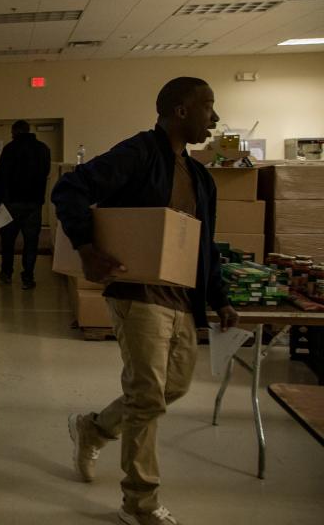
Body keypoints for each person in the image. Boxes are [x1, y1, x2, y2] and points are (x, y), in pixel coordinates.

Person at [51, 77, 239, 525]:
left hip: (182, 298)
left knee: (171, 388)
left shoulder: (199, 178)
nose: (214, 119)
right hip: (137, 293)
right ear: (180, 110)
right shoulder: (138, 153)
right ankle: (140, 503)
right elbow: (70, 189)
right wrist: (85, 247)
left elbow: (203, 244)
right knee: (148, 393)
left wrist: (220, 298)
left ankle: (93, 427)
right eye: (208, 108)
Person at [0, 120, 51, 289]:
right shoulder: (43, 149)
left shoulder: (10, 149)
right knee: (31, 242)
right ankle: (28, 277)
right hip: (34, 203)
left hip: (12, 203)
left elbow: (1, 176)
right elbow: (46, 173)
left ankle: (6, 273)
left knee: (8, 241)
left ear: (15, 131)